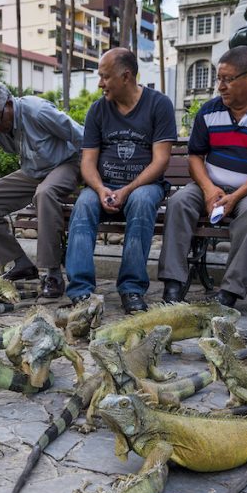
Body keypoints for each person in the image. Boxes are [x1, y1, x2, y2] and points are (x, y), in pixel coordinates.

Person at [158, 46, 247, 308]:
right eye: (218, 79)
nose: (220, 86)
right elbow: (196, 157)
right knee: (179, 201)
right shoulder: (210, 111)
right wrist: (209, 189)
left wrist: (236, 196)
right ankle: (173, 283)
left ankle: (230, 291)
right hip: (210, 186)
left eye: (227, 79)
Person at [65, 48, 177, 314]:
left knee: (140, 202)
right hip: (104, 186)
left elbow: (160, 161)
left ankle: (132, 289)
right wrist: (101, 188)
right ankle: (81, 292)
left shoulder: (158, 105)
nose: (100, 83)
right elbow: (88, 162)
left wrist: (127, 189)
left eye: (105, 77)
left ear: (126, 76)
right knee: (84, 205)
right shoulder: (98, 110)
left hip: (143, 186)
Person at [0, 81, 83, 298]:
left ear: (9, 104)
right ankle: (21, 263)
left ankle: (53, 273)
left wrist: (93, 174)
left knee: (45, 193)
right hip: (33, 171)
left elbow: (80, 135)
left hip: (66, 164)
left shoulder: (37, 111)